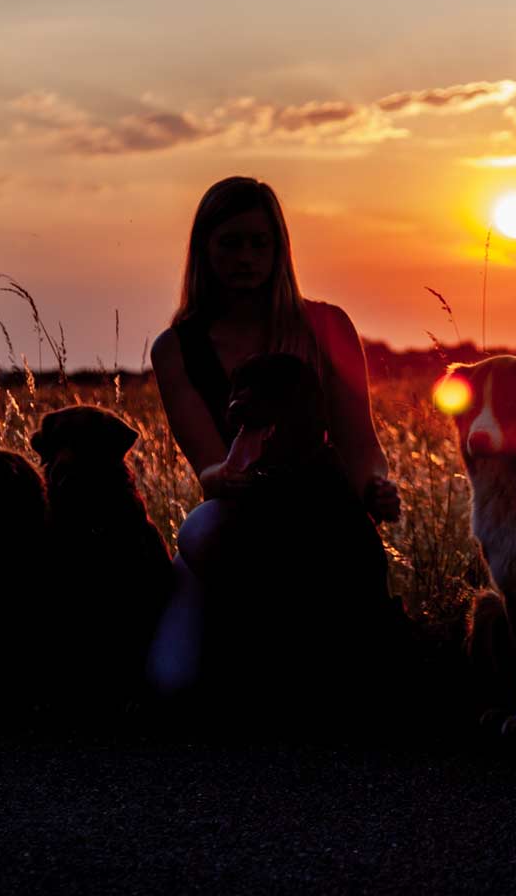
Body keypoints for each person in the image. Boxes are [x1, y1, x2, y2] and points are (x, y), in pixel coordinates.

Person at [147, 176, 402, 706]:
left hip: (316, 509)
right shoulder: (176, 347)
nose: (246, 257)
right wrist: (221, 477)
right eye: (230, 243)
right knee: (172, 684)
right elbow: (211, 470)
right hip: (237, 524)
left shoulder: (326, 325)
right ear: (204, 250)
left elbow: (360, 442)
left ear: (279, 248)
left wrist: (376, 487)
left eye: (260, 243)